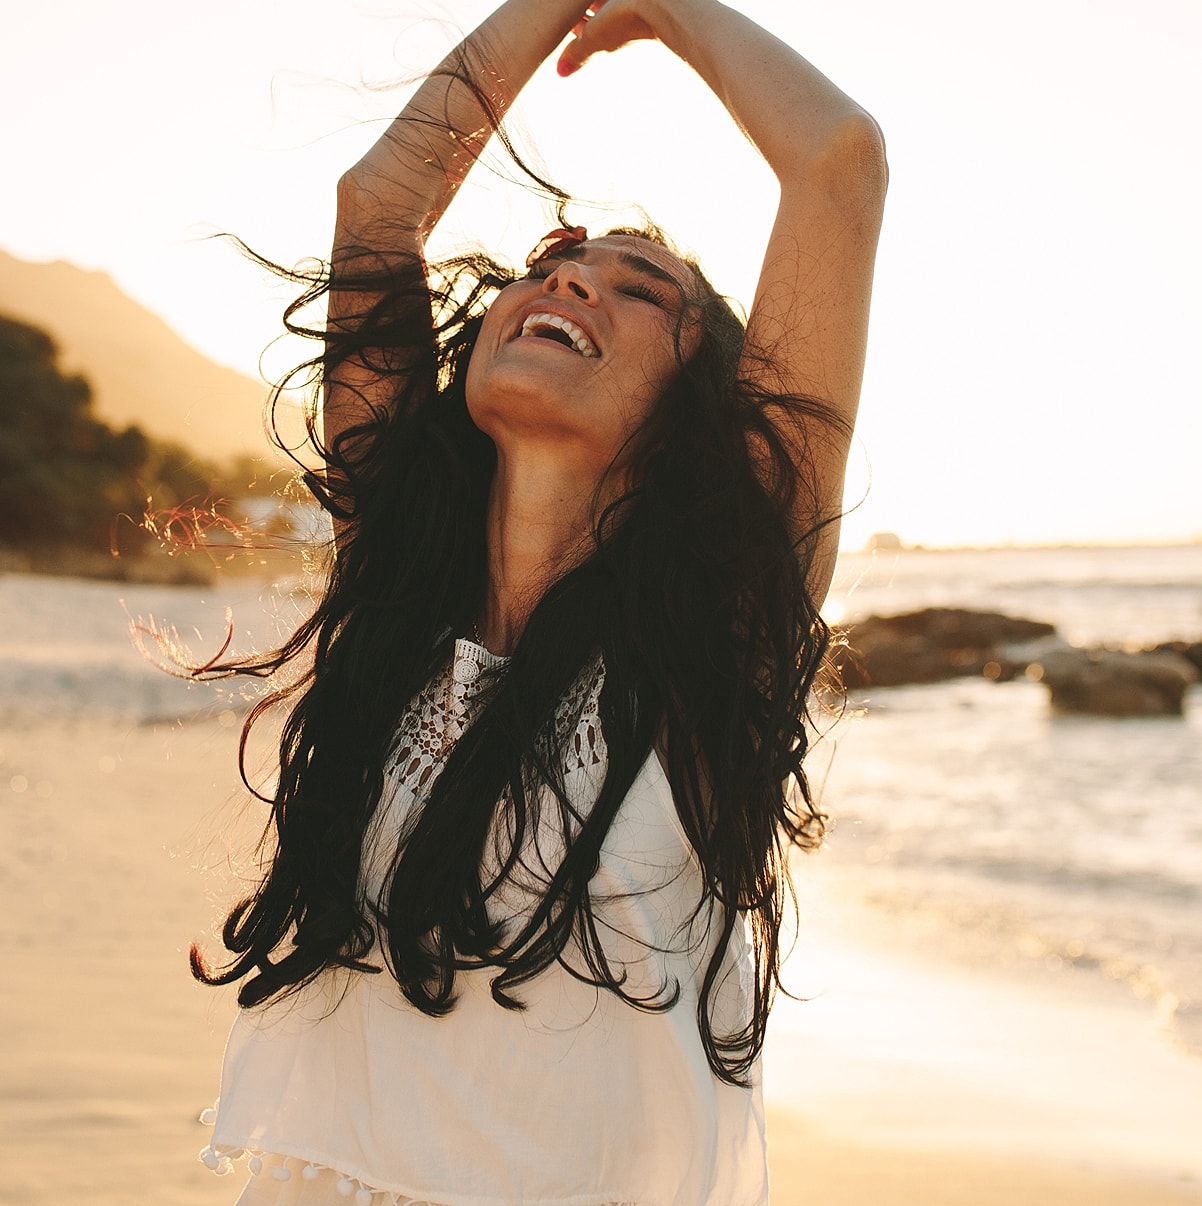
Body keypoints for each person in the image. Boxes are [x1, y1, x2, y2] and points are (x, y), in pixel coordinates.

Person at [193, 1, 886, 1202]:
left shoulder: (709, 641)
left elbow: (836, 164)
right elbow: (380, 208)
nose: (568, 282)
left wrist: (665, 11)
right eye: (552, 269)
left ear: (698, 418)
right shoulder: (399, 592)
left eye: (638, 291)